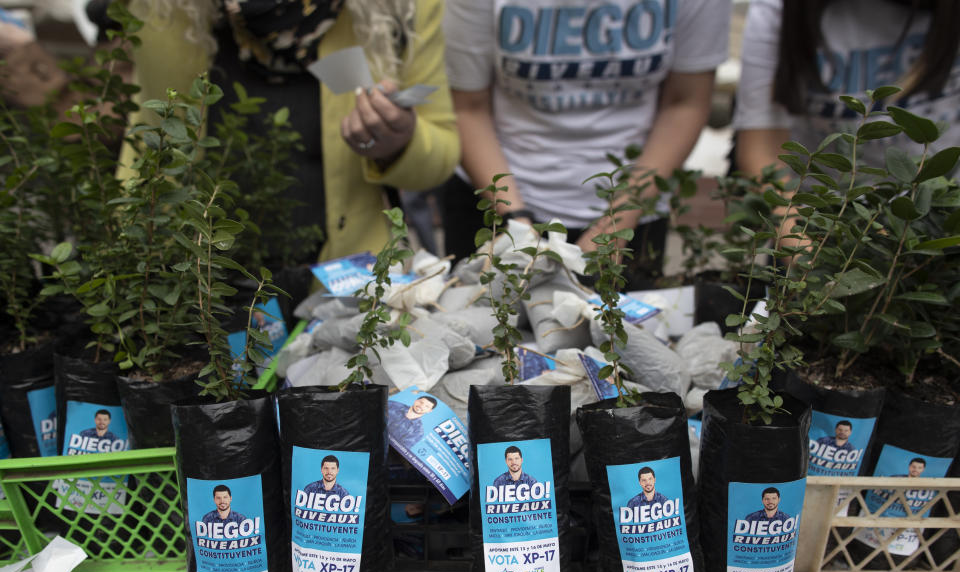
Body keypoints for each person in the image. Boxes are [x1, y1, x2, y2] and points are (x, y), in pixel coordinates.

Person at [123, 0, 459, 263]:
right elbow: (143, 119)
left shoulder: (401, 7)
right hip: (178, 273)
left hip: (335, 280)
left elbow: (441, 156)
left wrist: (398, 143)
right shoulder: (164, 8)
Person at [441, 0, 731, 284]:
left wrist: (619, 219)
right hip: (496, 197)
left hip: (634, 202)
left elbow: (685, 102)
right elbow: (468, 107)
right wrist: (516, 220)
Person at [733, 0, 960, 239]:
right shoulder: (778, 9)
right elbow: (761, 151)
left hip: (943, 220)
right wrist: (801, 251)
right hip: (815, 224)